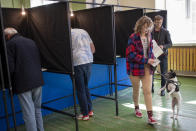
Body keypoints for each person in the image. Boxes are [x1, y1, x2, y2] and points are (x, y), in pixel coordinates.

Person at [4, 27, 44, 131]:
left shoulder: (9, 44)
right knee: (37, 109)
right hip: (38, 80)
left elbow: (10, 67)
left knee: (28, 113)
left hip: (23, 82)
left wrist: (9, 83)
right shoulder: (31, 41)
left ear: (8, 36)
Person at [126, 16, 157, 124]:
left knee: (147, 91)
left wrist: (153, 60)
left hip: (147, 67)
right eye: (145, 27)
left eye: (149, 27)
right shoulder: (133, 37)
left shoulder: (150, 36)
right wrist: (146, 60)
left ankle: (150, 116)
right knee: (136, 89)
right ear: (140, 26)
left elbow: (151, 51)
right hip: (135, 68)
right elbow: (130, 55)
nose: (147, 30)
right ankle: (137, 108)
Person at [71, 28, 95, 121]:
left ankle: (85, 114)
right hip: (89, 61)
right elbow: (93, 49)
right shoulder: (84, 31)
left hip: (77, 63)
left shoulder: (68, 34)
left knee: (80, 89)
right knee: (85, 87)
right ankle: (89, 110)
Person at [151, 15, 172, 95]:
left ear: (162, 21)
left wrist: (163, 46)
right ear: (154, 22)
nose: (159, 23)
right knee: (151, 72)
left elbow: (170, 44)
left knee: (163, 74)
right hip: (154, 55)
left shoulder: (166, 32)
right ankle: (151, 88)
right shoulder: (151, 31)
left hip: (163, 56)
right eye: (157, 22)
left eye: (160, 22)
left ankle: (162, 90)